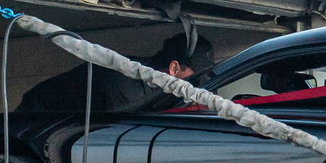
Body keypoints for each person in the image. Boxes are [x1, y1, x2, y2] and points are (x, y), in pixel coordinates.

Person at [18, 32, 215, 114]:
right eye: (197, 76)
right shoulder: (127, 86)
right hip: (36, 116)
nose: (200, 83)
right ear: (174, 69)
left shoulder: (151, 78)